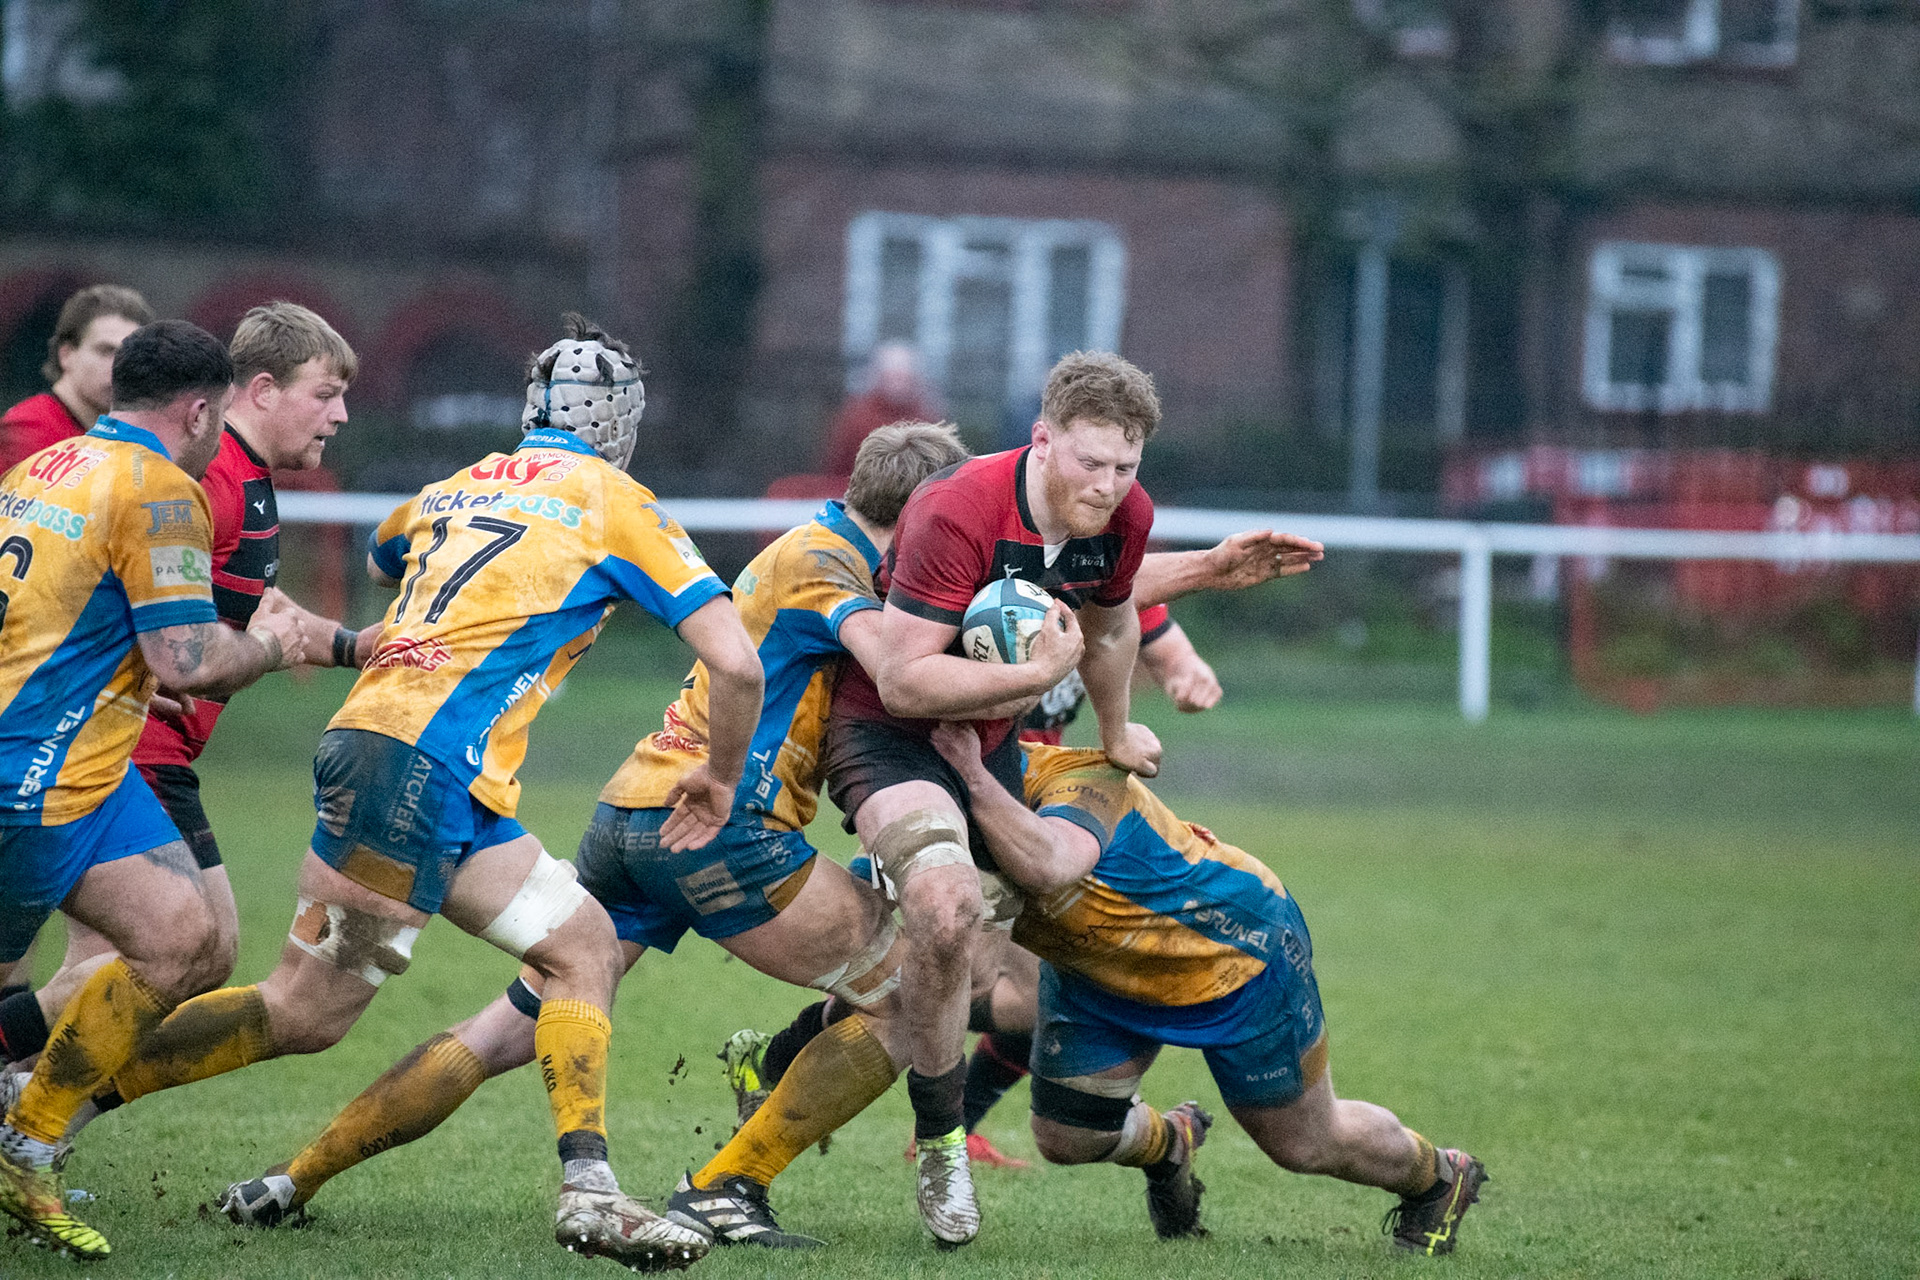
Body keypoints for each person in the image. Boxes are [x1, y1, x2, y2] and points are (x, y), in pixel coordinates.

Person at [14, 315, 755, 1270]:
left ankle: (588, 1190)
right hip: (421, 775)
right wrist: (723, 775)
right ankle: (589, 1193)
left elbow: (385, 558)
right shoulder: (618, 501)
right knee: (300, 1005)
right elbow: (733, 664)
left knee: (565, 951)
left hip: (390, 757)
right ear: (619, 424)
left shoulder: (456, 484)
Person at [214, 422, 975, 1251]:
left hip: (633, 813)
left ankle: (293, 1179)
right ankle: (726, 1189)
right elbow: (899, 673)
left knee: (506, 1027)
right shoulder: (830, 563)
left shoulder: (817, 545)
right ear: (927, 515)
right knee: (914, 1000)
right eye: (953, 525)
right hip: (719, 825)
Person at [709, 728, 1491, 1258]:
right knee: (1067, 1139)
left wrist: (975, 777)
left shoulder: (1081, 778)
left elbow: (1048, 867)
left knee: (1304, 1145)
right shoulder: (921, 803)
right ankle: (1170, 1142)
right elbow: (896, 953)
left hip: (1233, 954)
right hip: (1095, 974)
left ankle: (1438, 1176)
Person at [0, 302, 372, 1081]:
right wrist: (184, 659)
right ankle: (32, 1114)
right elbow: (189, 649)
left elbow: (203, 612)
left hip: (87, 748)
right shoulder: (194, 486)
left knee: (188, 947)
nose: (340, 414)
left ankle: (29, 1112)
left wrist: (354, 647)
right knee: (174, 950)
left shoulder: (72, 471)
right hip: (95, 756)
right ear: (243, 395)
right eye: (325, 392)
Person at [0, 320, 306, 1260]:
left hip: (87, 770)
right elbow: (194, 658)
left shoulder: (45, 469)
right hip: (34, 779)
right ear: (203, 408)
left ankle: (29, 1138)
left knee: (193, 940)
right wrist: (269, 647)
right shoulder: (163, 491)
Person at [0, 286, 155, 475]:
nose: (119, 365)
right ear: (66, 355)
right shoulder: (29, 430)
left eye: (131, 354)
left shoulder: (132, 435)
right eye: (105, 351)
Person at [822, 343, 939, 476]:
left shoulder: (927, 416)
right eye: (892, 377)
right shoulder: (856, 418)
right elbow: (837, 466)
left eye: (903, 377)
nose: (898, 385)